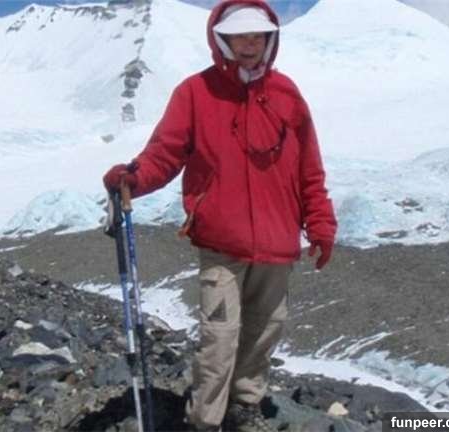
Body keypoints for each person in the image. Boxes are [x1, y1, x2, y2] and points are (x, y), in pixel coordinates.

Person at [103, 0, 337, 430]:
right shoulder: (196, 92)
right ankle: (205, 420)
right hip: (221, 240)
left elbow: (309, 169)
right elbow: (165, 153)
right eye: (240, 35)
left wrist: (320, 224)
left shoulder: (287, 94)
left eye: (258, 35)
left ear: (270, 38)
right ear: (222, 39)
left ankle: (245, 403)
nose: (250, 43)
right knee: (219, 336)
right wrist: (132, 178)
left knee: (265, 329)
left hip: (277, 241)